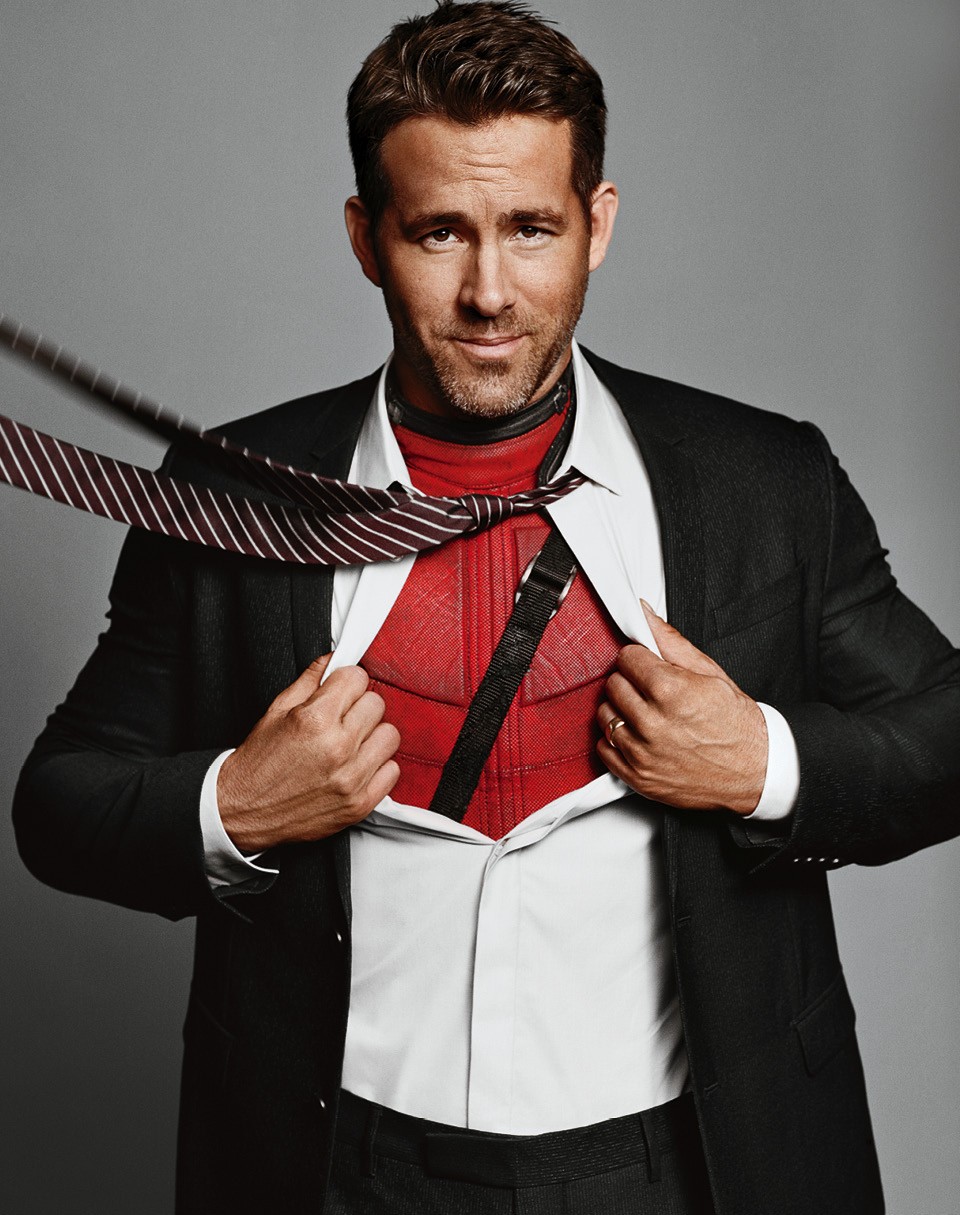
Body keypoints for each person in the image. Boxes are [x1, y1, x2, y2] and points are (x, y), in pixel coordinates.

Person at [12, 2, 960, 1212]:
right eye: (438, 233)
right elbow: (60, 804)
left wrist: (763, 763)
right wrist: (236, 805)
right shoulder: (230, 496)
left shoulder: (765, 481)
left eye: (531, 228)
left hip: (693, 1168)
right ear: (366, 237)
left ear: (596, 225)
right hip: (337, 1169)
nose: (489, 291)